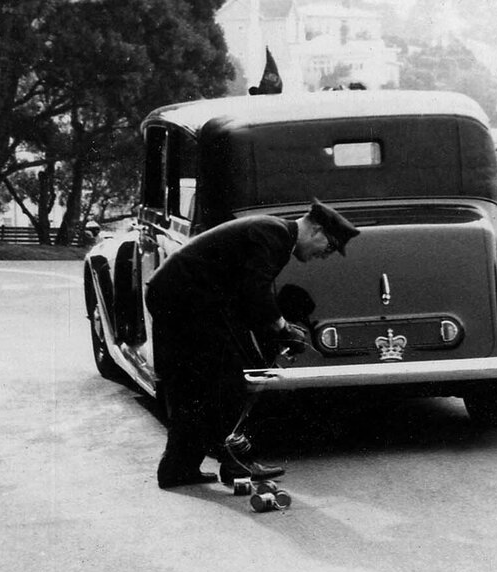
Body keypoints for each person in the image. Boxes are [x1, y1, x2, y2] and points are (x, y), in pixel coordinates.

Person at [145, 199, 360, 489]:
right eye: (330, 247)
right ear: (317, 231)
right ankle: (235, 464)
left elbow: (243, 297)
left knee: (194, 386)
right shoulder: (274, 236)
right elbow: (254, 291)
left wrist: (274, 332)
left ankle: (179, 469)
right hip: (184, 301)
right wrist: (282, 327)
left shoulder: (275, 235)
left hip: (184, 298)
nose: (325, 255)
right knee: (225, 382)